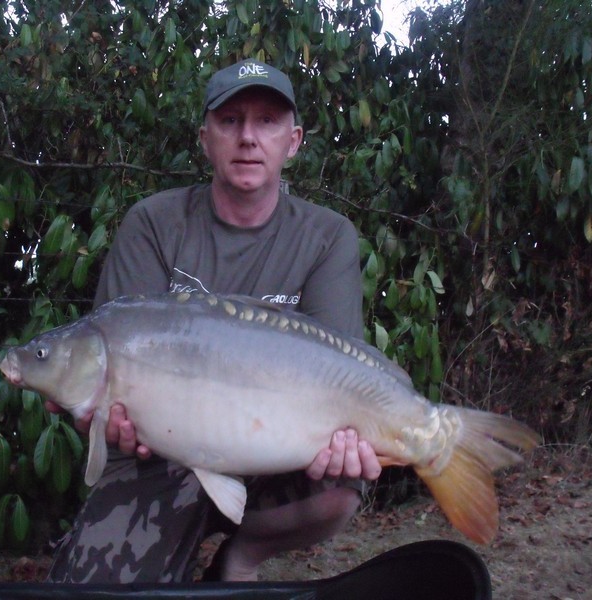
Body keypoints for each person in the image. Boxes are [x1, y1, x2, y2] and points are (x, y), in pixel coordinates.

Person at [45, 58, 382, 584]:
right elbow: (108, 368)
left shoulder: (326, 236)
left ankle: (241, 557)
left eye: (266, 121)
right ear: (205, 139)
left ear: (293, 142)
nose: (248, 137)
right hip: (162, 456)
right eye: (230, 121)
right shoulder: (153, 224)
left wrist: (353, 432)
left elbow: (341, 371)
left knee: (338, 489)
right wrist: (100, 415)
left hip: (277, 449)